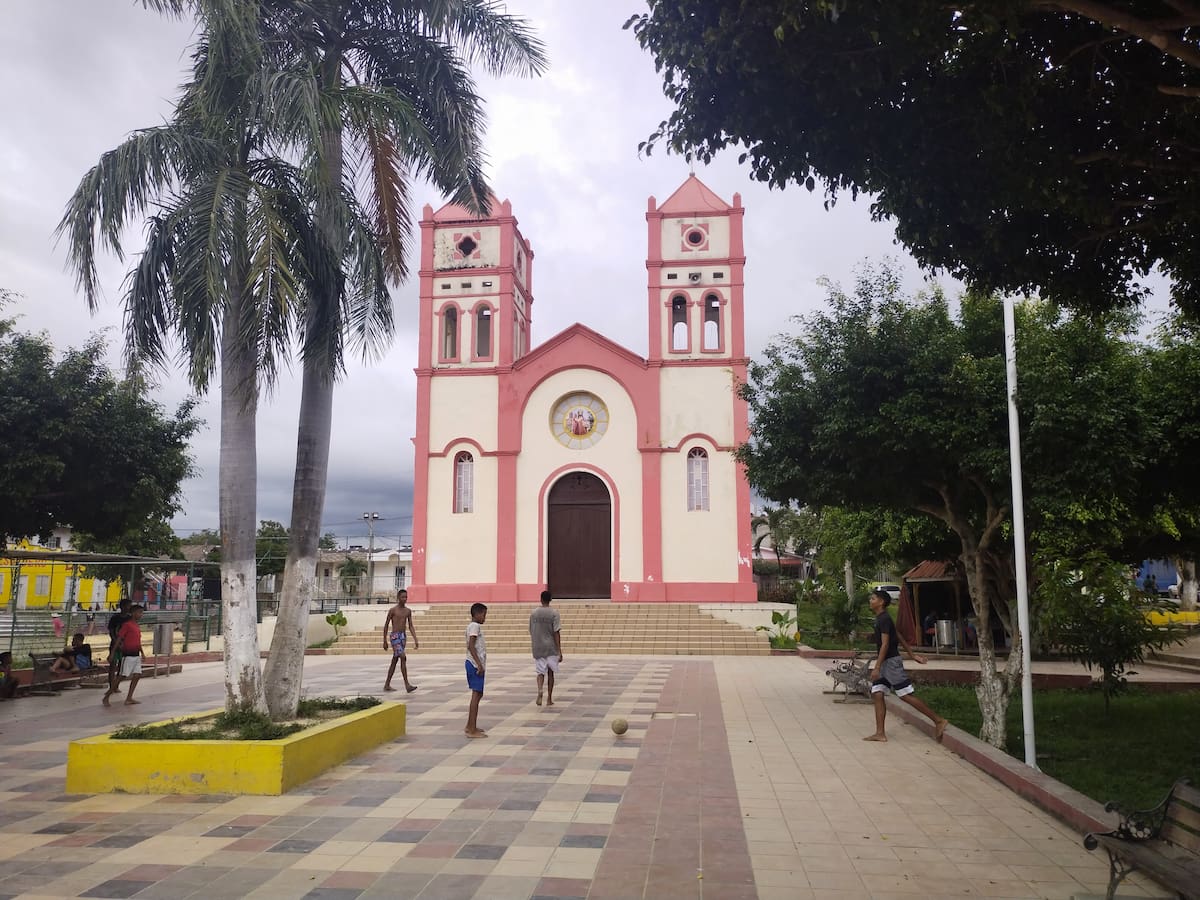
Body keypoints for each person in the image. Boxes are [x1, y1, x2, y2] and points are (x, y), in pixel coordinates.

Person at [863, 589, 948, 743]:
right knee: (878, 693)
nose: (870, 601)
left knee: (905, 695)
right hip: (885, 662)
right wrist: (912, 655)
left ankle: (938, 720)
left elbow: (885, 644)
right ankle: (880, 733)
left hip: (890, 663)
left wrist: (877, 667)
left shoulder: (884, 619)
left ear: (881, 602)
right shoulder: (881, 618)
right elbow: (898, 635)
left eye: (873, 598)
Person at [104, 604, 145, 707]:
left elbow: (138, 641)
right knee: (122, 676)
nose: (141, 615)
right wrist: (112, 653)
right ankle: (107, 696)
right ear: (133, 613)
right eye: (140, 612)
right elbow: (119, 639)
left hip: (136, 654)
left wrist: (142, 653)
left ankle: (129, 698)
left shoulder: (136, 626)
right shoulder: (127, 625)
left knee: (137, 675)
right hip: (128, 655)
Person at [529, 589, 563, 706]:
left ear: (541, 599)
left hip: (538, 646)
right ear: (550, 600)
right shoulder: (554, 613)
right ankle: (549, 698)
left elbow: (531, 630)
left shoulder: (534, 613)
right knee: (550, 672)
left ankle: (540, 690)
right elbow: (556, 632)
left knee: (540, 672)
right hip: (550, 647)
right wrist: (559, 650)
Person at [383, 589, 419, 693]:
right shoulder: (393, 610)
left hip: (403, 637)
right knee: (403, 657)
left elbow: (410, 625)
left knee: (395, 660)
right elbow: (386, 625)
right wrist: (384, 640)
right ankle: (407, 684)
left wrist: (415, 639)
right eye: (403, 597)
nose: (404, 599)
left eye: (406, 597)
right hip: (395, 637)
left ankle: (387, 684)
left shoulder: (408, 611)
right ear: (398, 598)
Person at [464, 602, 488, 738]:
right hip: (474, 665)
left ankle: (470, 725)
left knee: (478, 694)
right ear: (477, 614)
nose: (485, 618)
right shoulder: (474, 626)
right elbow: (471, 646)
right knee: (476, 695)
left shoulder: (473, 626)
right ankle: (472, 730)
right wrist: (479, 664)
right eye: (484, 615)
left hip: (474, 664)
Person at [105, 598, 133, 696]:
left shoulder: (130, 618)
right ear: (122, 607)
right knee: (113, 665)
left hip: (125, 645)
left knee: (122, 667)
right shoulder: (115, 618)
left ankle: (116, 686)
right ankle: (111, 686)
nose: (129, 608)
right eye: (128, 606)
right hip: (115, 644)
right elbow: (112, 631)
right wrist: (116, 641)